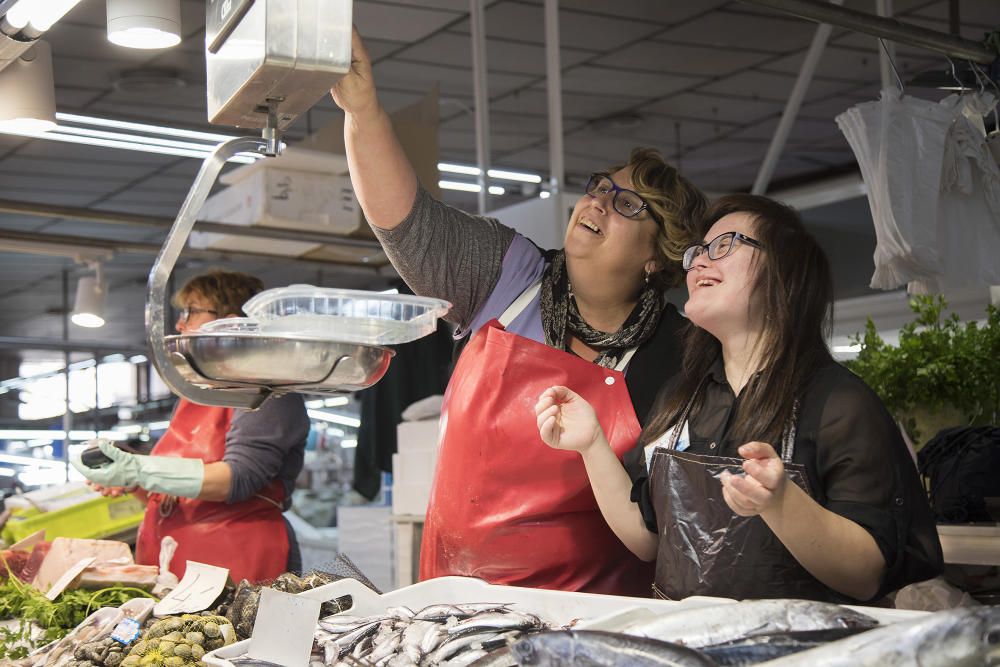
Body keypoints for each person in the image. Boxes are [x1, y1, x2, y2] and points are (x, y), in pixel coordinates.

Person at [330, 28, 707, 596]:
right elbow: (406, 223)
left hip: (589, 618)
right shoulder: (508, 276)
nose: (599, 201)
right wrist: (364, 111)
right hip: (452, 603)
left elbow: (670, 521)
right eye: (599, 187)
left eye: (627, 204)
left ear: (659, 255)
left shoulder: (677, 354)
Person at [535, 194, 943, 602]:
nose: (698, 262)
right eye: (697, 252)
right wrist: (591, 445)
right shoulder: (680, 402)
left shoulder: (840, 404)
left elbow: (866, 575)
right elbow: (648, 540)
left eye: (724, 246)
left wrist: (781, 502)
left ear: (785, 273)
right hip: (688, 643)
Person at [72, 270, 310, 583]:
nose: (180, 324)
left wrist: (138, 469)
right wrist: (132, 481)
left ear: (230, 320)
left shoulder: (267, 391)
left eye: (191, 312)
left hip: (237, 559)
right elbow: (178, 497)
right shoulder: (197, 394)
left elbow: (238, 479)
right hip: (177, 561)